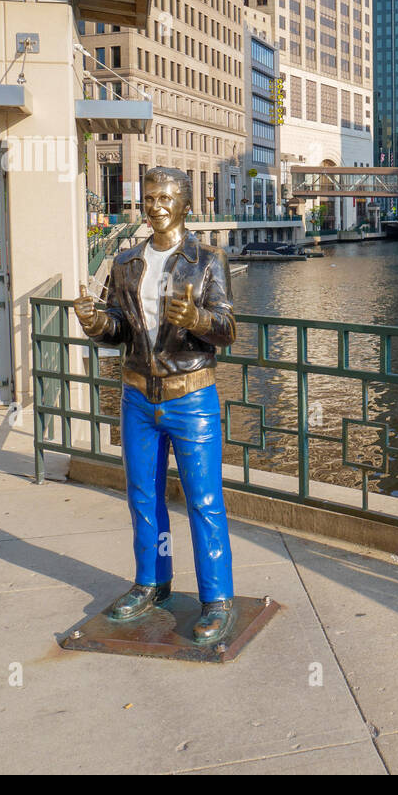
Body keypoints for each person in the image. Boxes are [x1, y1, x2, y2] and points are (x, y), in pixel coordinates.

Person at [73, 167, 238, 646]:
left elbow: (227, 330)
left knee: (204, 501)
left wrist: (200, 317)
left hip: (191, 395)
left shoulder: (208, 260)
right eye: (150, 197)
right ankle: (152, 582)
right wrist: (95, 322)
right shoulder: (125, 263)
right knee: (142, 495)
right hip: (138, 395)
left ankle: (217, 599)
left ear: (186, 203)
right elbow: (120, 329)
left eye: (167, 196)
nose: (157, 205)